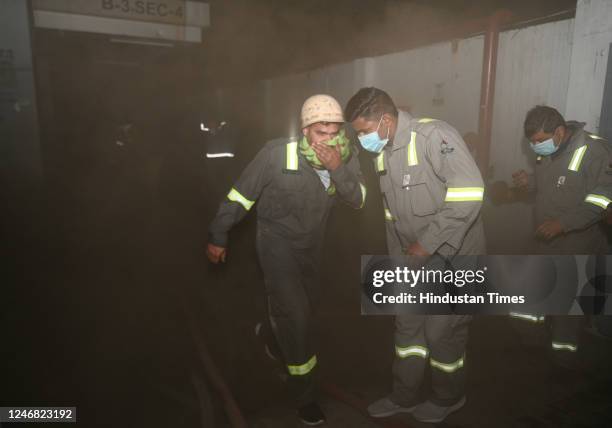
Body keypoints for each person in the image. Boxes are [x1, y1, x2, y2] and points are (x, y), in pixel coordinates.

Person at [206, 94, 366, 426]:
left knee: (301, 311)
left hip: (313, 248)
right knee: (297, 318)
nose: (329, 140)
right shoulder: (276, 154)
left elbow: (359, 199)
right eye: (321, 132)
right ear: (306, 131)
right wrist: (219, 234)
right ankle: (304, 396)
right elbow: (241, 194)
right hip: (276, 244)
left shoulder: (344, 156)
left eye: (334, 131)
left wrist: (339, 169)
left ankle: (270, 333)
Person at [345, 87, 485, 424]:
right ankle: (403, 395)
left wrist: (428, 244)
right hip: (412, 258)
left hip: (455, 254)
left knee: (441, 332)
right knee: (407, 327)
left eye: (364, 131)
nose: (362, 139)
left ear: (387, 120)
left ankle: (448, 396)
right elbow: (393, 215)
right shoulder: (384, 150)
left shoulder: (434, 135)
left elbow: (469, 194)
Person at [511, 105, 612, 368]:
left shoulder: (595, 152)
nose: (536, 147)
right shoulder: (550, 149)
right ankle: (530, 345)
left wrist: (563, 224)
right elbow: (551, 183)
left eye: (540, 141)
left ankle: (562, 361)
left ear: (559, 131)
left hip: (576, 243)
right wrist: (528, 182)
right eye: (532, 143)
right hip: (544, 239)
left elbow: (601, 201)